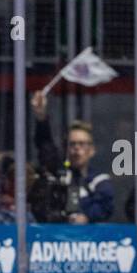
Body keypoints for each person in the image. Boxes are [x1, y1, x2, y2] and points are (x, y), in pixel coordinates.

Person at [28, 90, 113, 224]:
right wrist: (41, 117)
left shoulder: (98, 180)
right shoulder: (60, 172)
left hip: (90, 239)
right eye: (72, 144)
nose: (77, 148)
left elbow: (105, 204)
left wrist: (86, 217)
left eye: (82, 144)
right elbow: (45, 147)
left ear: (92, 150)